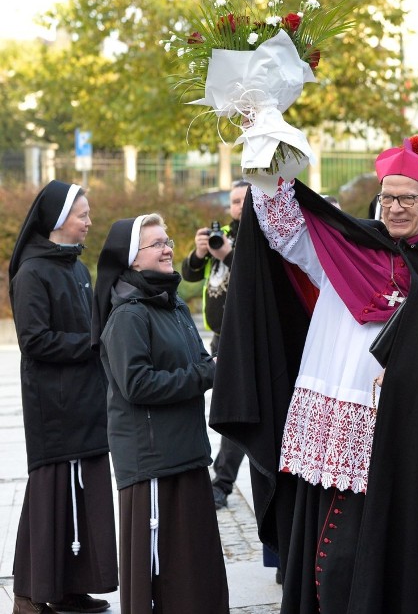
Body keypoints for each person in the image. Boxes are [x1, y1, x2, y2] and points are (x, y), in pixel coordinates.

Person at [209, 135, 418, 613]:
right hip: (335, 417)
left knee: (383, 542)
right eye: (388, 197)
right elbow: (286, 230)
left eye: (408, 198)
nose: (395, 207)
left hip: (408, 427)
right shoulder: (348, 247)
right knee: (330, 548)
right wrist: (264, 137)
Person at [92, 214, 228, 613]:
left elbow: (202, 360)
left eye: (168, 241)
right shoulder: (129, 315)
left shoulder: (173, 306)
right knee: (161, 572)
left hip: (185, 451)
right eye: (157, 244)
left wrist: (210, 368)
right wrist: (207, 373)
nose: (168, 249)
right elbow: (138, 385)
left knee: (193, 565)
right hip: (152, 461)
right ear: (133, 258)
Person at [9, 180, 117, 614]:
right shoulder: (33, 272)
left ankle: (73, 586)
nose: (90, 222)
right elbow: (34, 341)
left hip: (85, 398)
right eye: (82, 215)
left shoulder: (76, 266)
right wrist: (93, 344)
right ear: (58, 221)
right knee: (52, 495)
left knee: (85, 491)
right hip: (53, 405)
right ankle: (30, 595)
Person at [181, 179, 249, 509]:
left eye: (244, 200)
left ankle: (221, 483)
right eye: (234, 201)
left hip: (249, 339)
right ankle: (220, 480)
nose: (238, 206)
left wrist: (230, 254)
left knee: (236, 412)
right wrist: (199, 252)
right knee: (228, 410)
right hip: (221, 339)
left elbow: (258, 278)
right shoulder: (221, 233)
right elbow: (190, 275)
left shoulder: (261, 236)